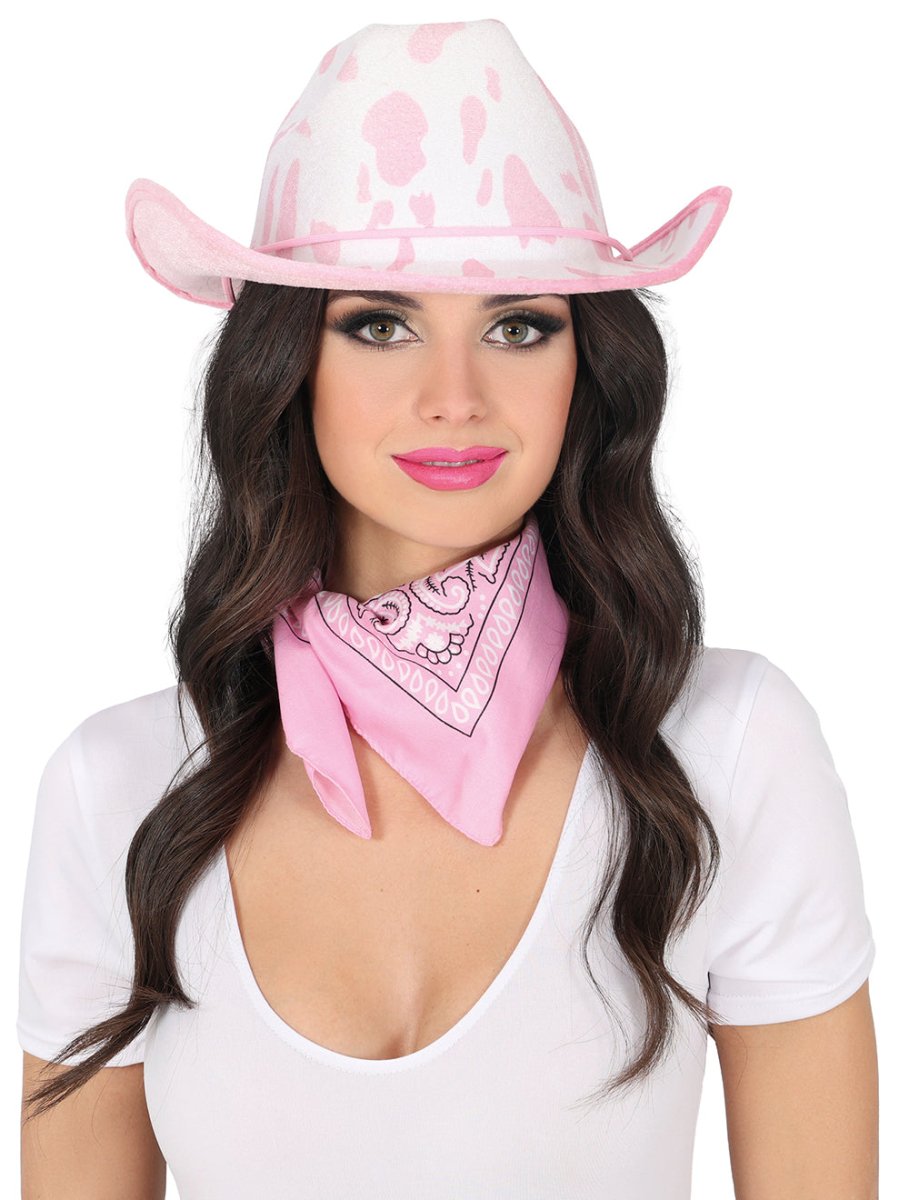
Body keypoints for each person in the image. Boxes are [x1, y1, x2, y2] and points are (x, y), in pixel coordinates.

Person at [18, 18, 878, 1198]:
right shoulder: (116, 793)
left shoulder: (724, 750)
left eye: (519, 325)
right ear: (287, 364)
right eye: (380, 324)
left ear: (587, 366)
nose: (455, 397)